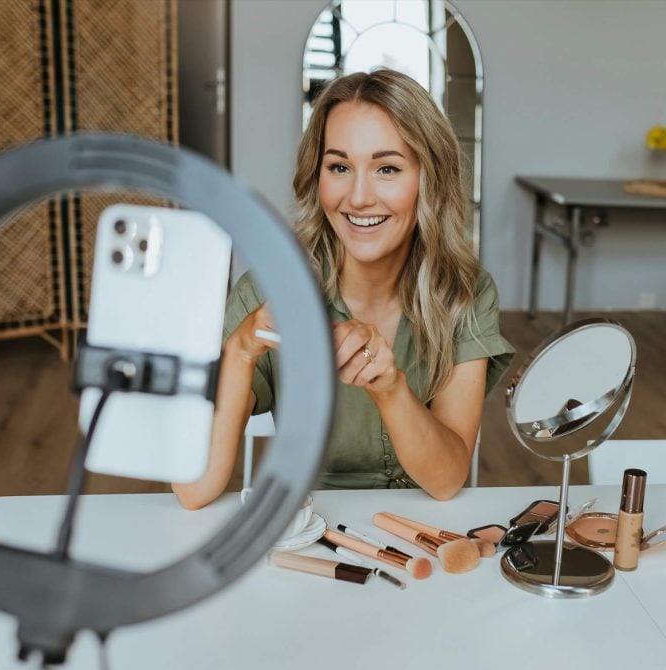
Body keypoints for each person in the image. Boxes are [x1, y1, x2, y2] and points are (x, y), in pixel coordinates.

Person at [173, 69, 513, 508]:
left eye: (386, 168)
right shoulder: (268, 292)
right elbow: (193, 489)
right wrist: (240, 349)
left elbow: (446, 480)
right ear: (317, 176)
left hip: (425, 531)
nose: (357, 197)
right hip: (316, 528)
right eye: (339, 167)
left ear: (428, 178)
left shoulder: (464, 292)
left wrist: (390, 387)